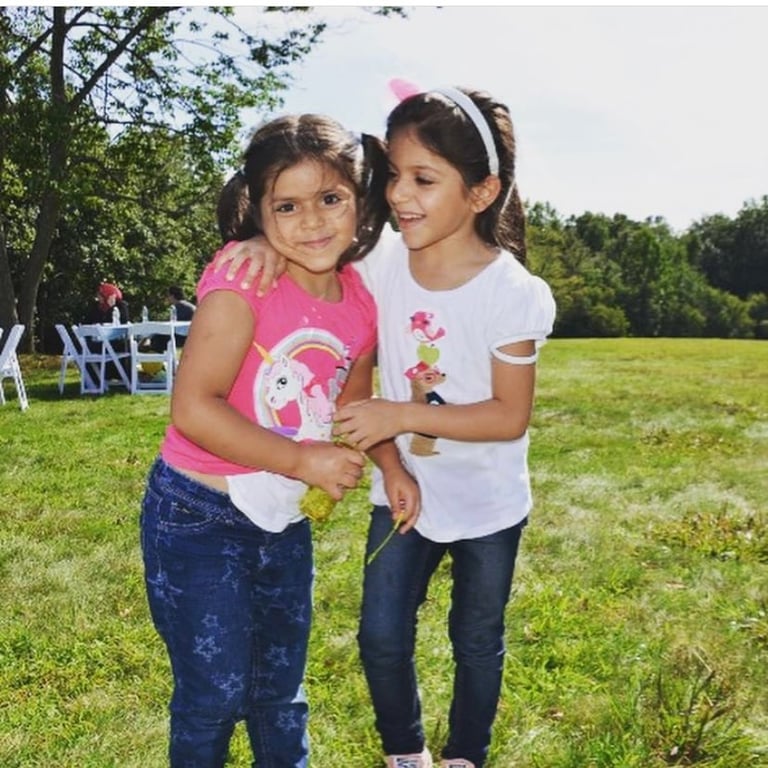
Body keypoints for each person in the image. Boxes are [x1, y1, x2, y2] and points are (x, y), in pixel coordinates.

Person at [214, 86, 557, 768]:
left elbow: (506, 416)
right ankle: (407, 754)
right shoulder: (380, 264)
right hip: (403, 492)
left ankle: (465, 755)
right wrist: (260, 237)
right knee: (379, 636)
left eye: (424, 180)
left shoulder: (514, 294)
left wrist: (398, 415)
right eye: (395, 175)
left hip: (489, 502)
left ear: (482, 192)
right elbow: (311, 243)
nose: (399, 195)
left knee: (477, 637)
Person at [139, 113, 419, 768]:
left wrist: (391, 466)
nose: (312, 222)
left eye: (330, 199)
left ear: (359, 202)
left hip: (282, 520)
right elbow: (192, 408)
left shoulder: (360, 302)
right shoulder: (245, 280)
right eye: (286, 206)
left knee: (280, 693)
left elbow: (350, 402)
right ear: (259, 212)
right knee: (215, 694)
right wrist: (301, 458)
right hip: (198, 517)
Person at [148, 285, 196, 352]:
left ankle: (160, 360)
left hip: (184, 337)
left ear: (172, 296)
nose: (167, 298)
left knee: (157, 338)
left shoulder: (179, 306)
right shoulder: (188, 305)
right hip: (192, 335)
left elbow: (172, 322)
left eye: (168, 296)